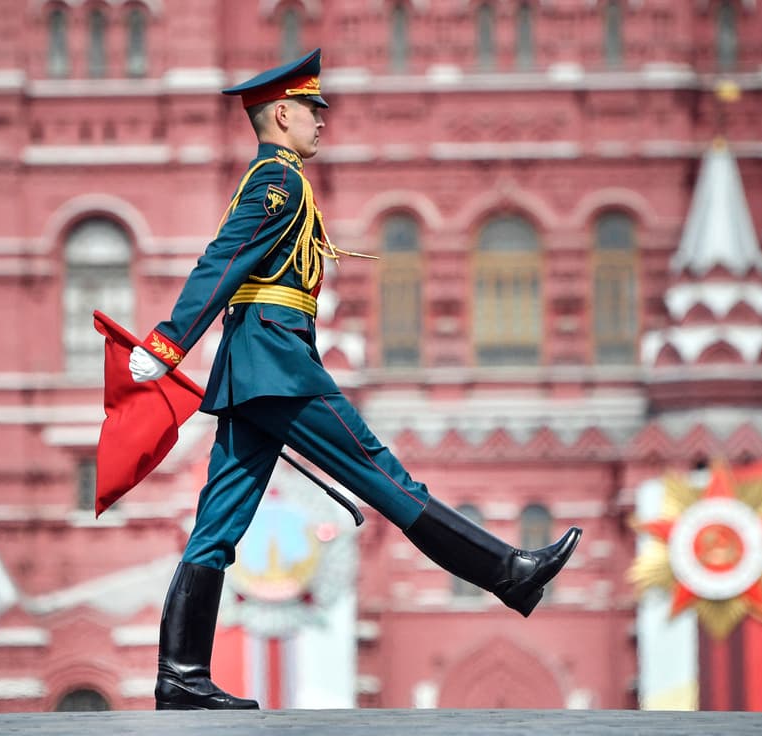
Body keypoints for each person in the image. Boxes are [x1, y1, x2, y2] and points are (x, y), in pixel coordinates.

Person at [129, 48, 582, 711]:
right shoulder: (275, 182)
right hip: (279, 369)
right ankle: (507, 573)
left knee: (216, 526)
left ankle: (180, 677)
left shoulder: (279, 179)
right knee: (384, 476)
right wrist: (169, 342)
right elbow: (224, 258)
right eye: (313, 110)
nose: (322, 122)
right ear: (281, 114)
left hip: (256, 368)